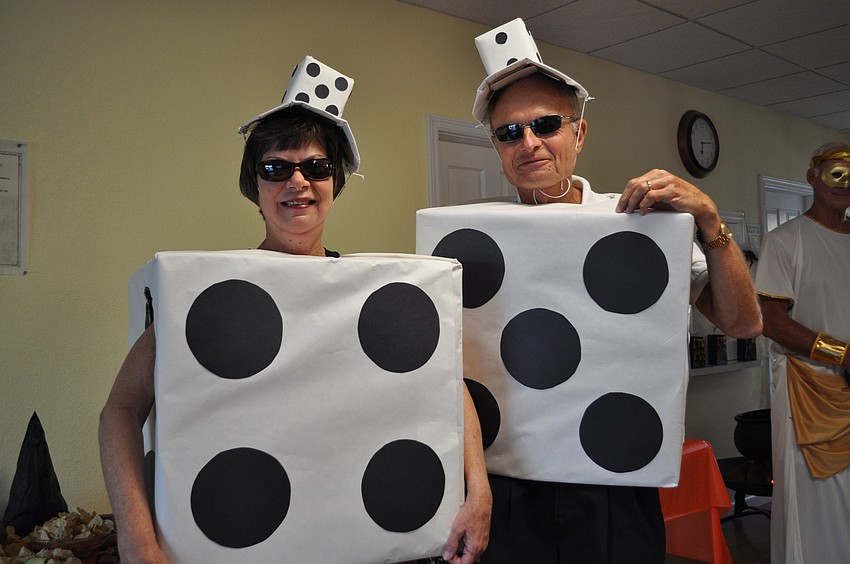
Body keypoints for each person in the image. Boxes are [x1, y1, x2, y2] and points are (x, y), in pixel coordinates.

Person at [98, 57, 490, 564]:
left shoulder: (374, 292)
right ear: (255, 187)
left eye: (316, 168)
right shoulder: (207, 295)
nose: (297, 181)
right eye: (275, 168)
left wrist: (478, 491)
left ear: (335, 182)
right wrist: (136, 541)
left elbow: (444, 382)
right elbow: (120, 411)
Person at [469, 19, 763, 563]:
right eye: (509, 132)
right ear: (496, 147)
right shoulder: (473, 242)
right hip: (510, 482)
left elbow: (744, 324)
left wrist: (711, 223)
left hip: (613, 480)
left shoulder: (641, 224)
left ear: (578, 132)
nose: (528, 143)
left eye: (545, 124)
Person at [754, 141, 850, 564]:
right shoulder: (785, 241)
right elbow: (770, 321)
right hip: (809, 393)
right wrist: (842, 355)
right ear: (813, 178)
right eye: (836, 173)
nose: (844, 184)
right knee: (815, 507)